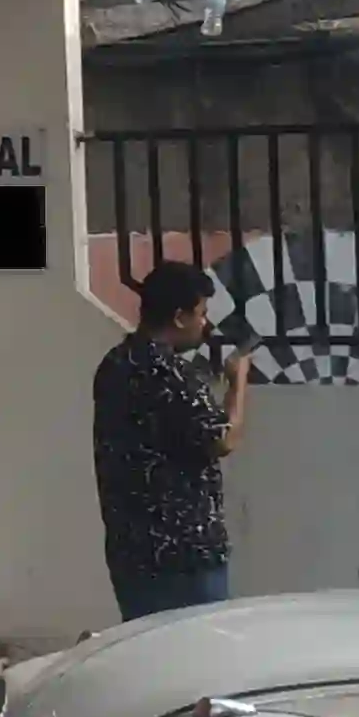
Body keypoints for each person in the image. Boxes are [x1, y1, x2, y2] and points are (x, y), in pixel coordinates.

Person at [96, 261, 249, 620]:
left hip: (130, 551)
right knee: (199, 648)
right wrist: (239, 383)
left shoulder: (115, 364)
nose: (205, 324)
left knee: (148, 647)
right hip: (185, 557)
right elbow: (223, 439)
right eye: (201, 313)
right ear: (180, 317)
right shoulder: (171, 375)